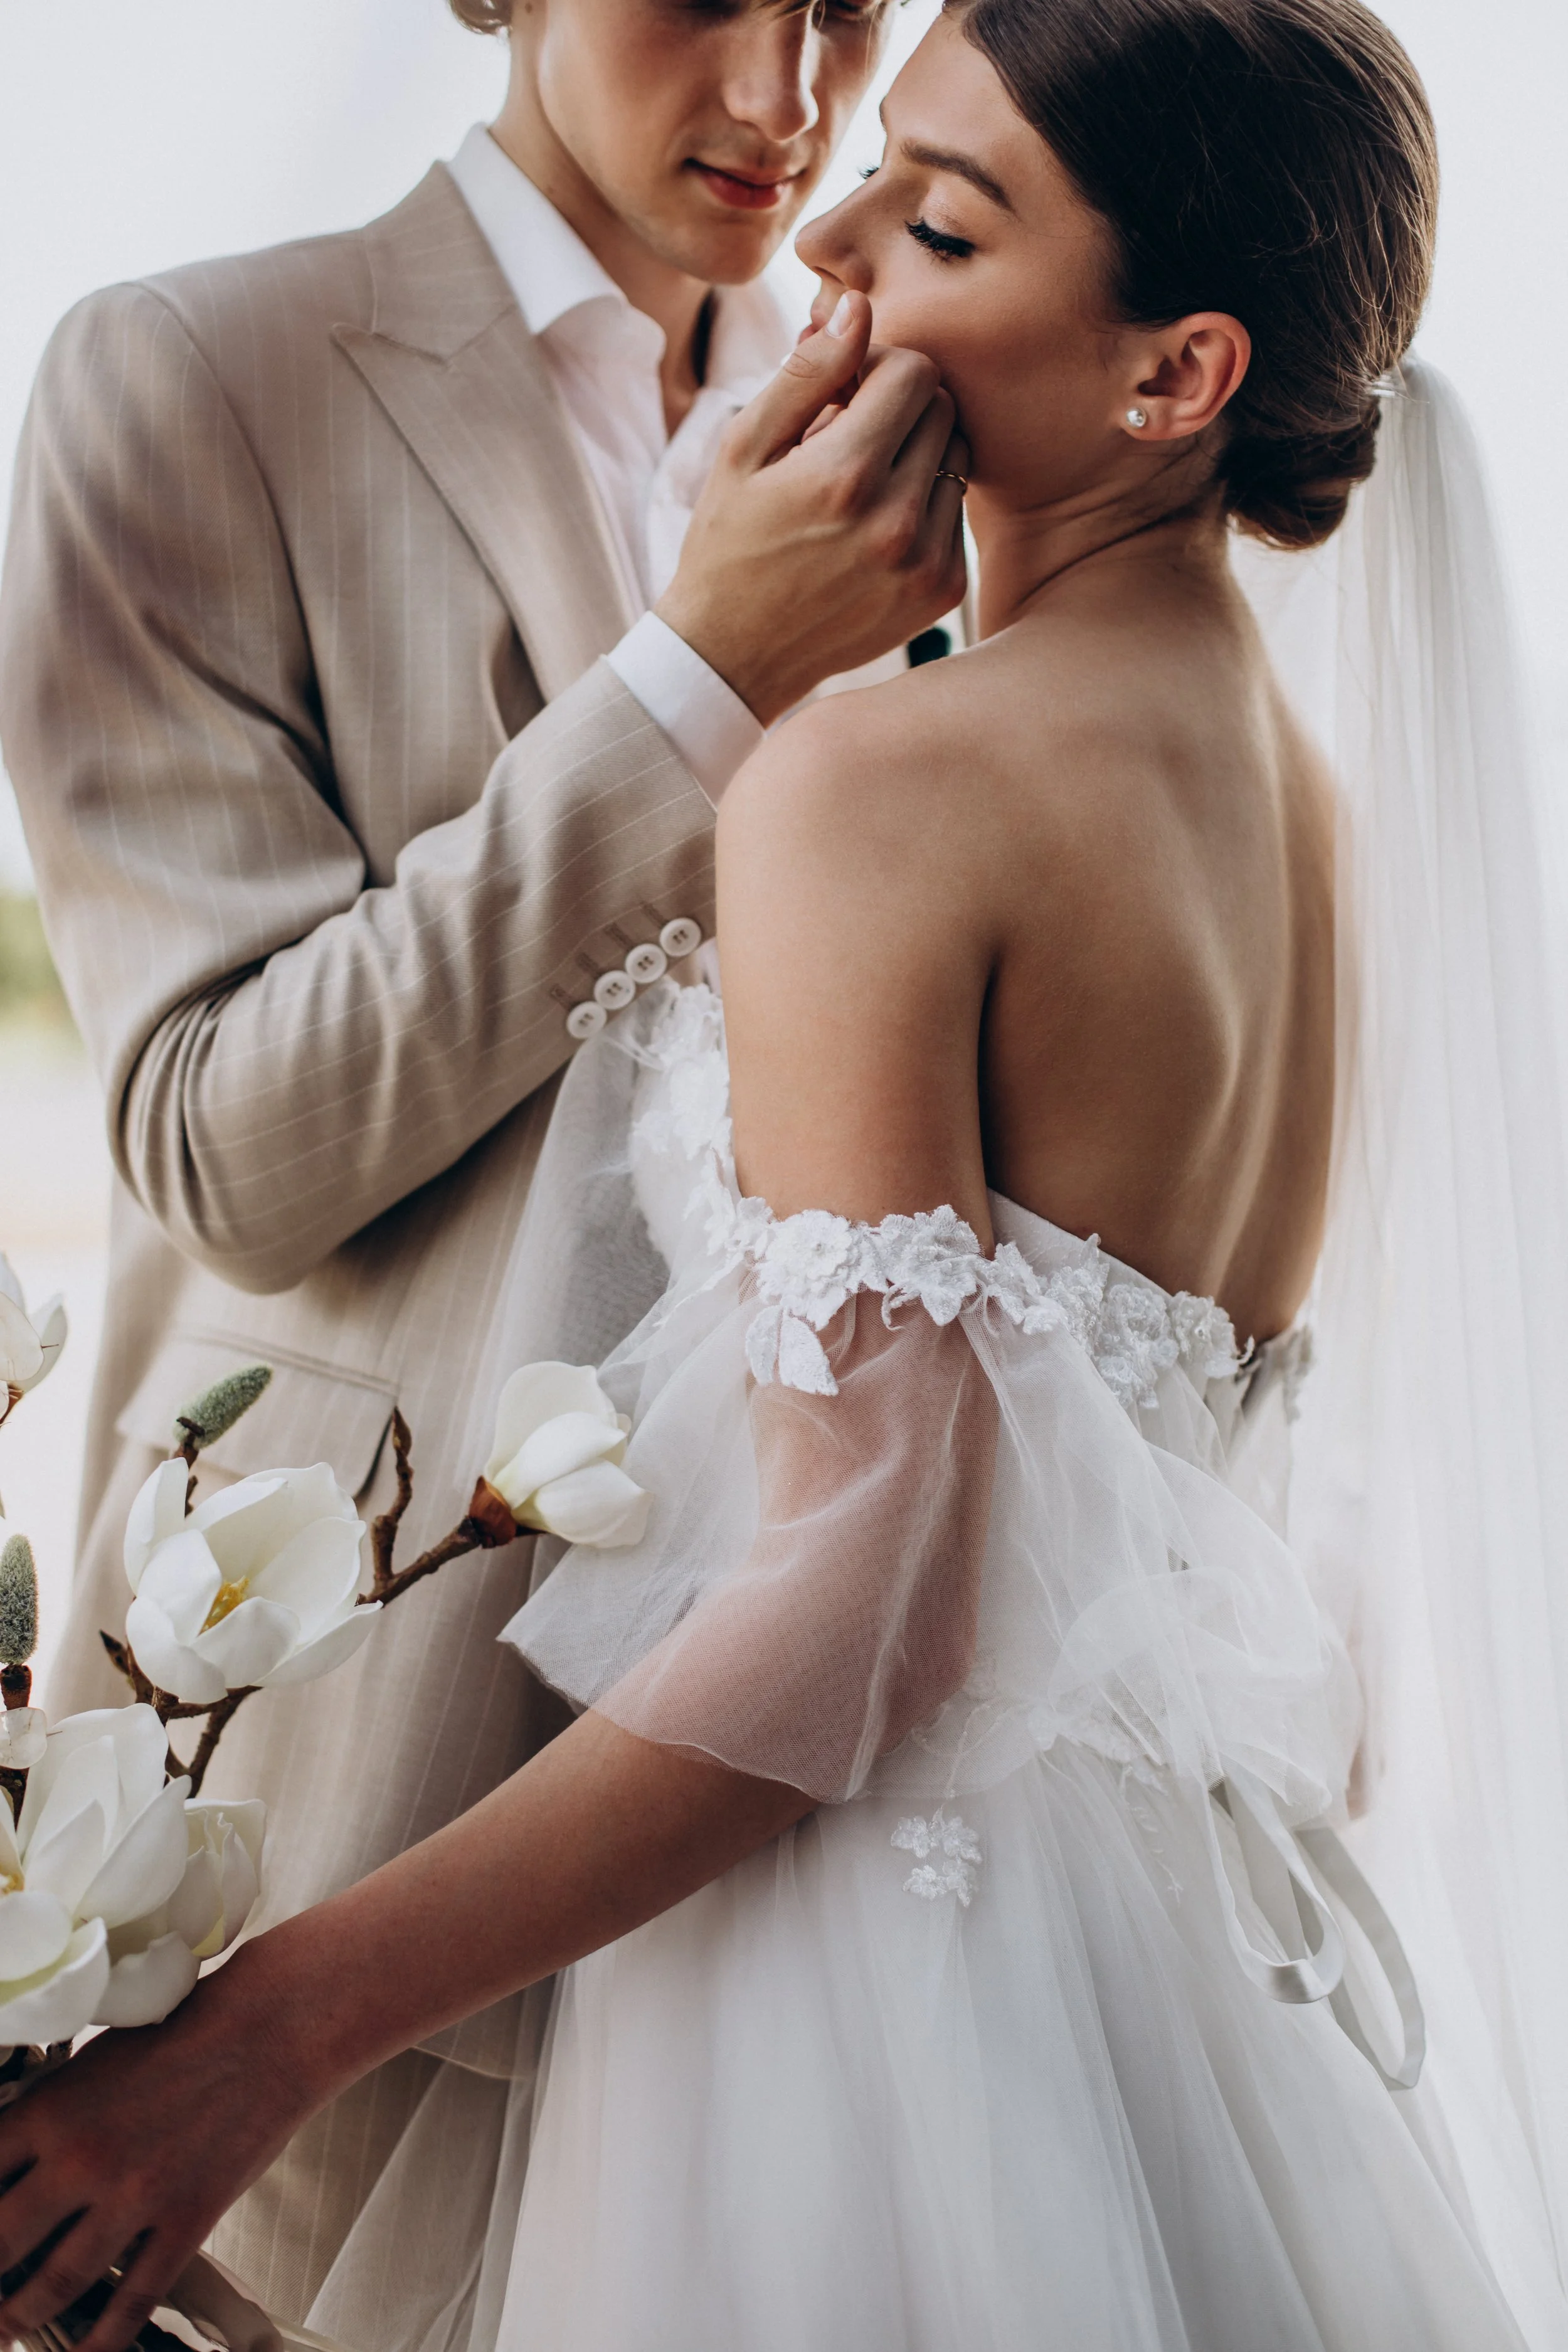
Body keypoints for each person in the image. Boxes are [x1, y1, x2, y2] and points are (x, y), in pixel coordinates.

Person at [5, 0, 1568, 2346]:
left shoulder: (878, 770)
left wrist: (265, 2023)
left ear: (1175, 377)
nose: (815, 166)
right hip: (1128, 1951)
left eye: (930, 210)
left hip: (826, 1961)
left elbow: (877, 1578)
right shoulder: (1304, 795)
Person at [0, 0, 967, 2328]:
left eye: (847, 7)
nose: (785, 95)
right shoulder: (179, 378)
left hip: (787, 1791)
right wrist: (693, 681)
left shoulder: (922, 401)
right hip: (345, 1769)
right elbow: (213, 1141)